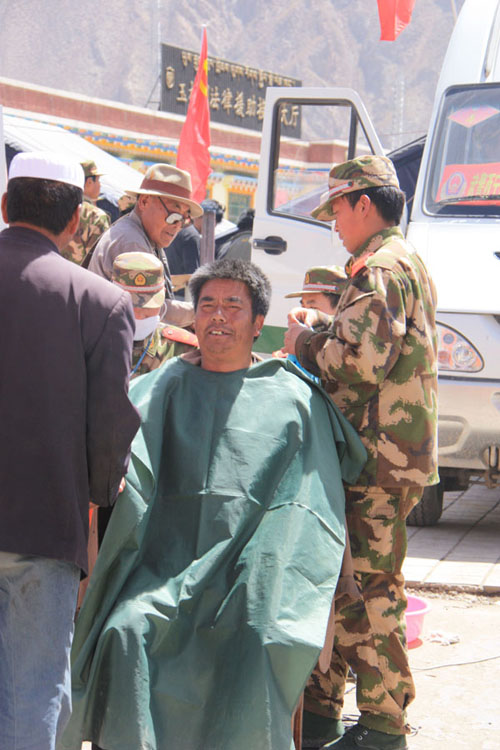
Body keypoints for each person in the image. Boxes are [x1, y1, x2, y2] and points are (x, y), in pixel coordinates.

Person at [58, 258, 367, 750]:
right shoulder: (157, 388)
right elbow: (113, 464)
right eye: (207, 305)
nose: (218, 316)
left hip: (254, 573)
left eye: (232, 306)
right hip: (161, 568)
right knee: (126, 629)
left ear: (259, 322)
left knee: (261, 634)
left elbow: (309, 506)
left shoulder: (294, 400)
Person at [284, 155, 438, 750]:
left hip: (376, 460)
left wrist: (304, 342)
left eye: (338, 211)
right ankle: (323, 715)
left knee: (369, 591)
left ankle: (382, 727)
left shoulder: (380, 269)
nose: (335, 224)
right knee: (341, 585)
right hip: (385, 456)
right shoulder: (405, 261)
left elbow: (357, 365)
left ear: (364, 204)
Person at [0, 151, 140, 750]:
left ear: (4, 206)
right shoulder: (101, 302)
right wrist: (98, 498)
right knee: (34, 694)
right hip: (47, 525)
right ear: (77, 219)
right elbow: (110, 427)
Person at [89, 163, 203, 327]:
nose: (177, 225)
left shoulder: (144, 235)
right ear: (144, 202)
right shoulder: (132, 241)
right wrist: (200, 312)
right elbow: (148, 311)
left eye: (184, 219)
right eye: (174, 216)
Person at [111, 251, 198, 378]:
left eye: (148, 306)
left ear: (163, 296)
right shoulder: (89, 341)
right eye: (130, 305)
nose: (139, 315)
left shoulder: (183, 349)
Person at [61, 159, 110, 265]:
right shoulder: (96, 216)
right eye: (98, 181)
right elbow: (99, 261)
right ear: (89, 182)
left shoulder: (57, 205)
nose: (100, 185)